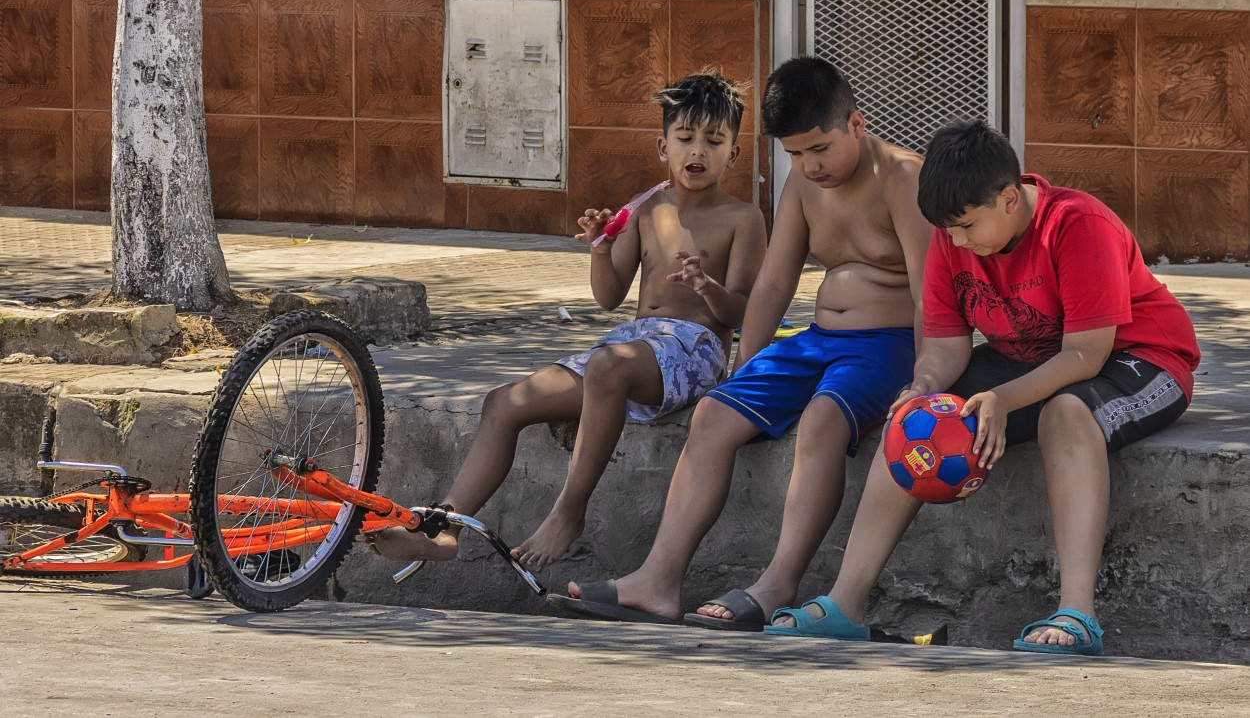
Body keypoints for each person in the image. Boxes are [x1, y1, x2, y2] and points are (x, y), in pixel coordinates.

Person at [766, 119, 1200, 655]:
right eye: (949, 231)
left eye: (967, 227)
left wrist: (1005, 398)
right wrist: (922, 384)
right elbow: (946, 348)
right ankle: (845, 604)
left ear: (1009, 200)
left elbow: (1086, 354)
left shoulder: (1078, 224)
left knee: (1063, 414)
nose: (956, 242)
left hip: (1140, 359)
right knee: (917, 414)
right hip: (1031, 356)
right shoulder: (955, 237)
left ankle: (1078, 614)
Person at [547, 55, 932, 627]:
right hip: (819, 337)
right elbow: (777, 280)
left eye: (819, 149)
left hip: (888, 343)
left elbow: (933, 290)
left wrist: (927, 379)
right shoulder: (804, 182)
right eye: (795, 153)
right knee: (713, 415)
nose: (809, 165)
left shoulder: (903, 178)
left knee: (824, 419)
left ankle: (776, 585)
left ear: (855, 123)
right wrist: (747, 362)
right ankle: (658, 579)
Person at [367, 71, 766, 568]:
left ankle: (568, 512)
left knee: (607, 366)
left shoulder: (743, 218)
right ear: (662, 148)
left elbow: (748, 309)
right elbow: (608, 296)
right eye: (685, 138)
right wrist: (600, 248)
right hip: (634, 345)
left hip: (694, 350)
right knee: (503, 402)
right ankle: (443, 528)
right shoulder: (647, 208)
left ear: (735, 152)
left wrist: (708, 286)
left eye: (714, 140)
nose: (698, 151)